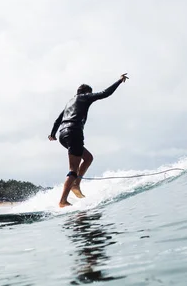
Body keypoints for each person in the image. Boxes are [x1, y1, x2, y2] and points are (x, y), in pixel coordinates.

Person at [49, 73, 129, 207]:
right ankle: (63, 201)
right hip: (74, 132)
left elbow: (58, 120)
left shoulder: (69, 103)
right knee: (73, 169)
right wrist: (119, 81)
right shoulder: (85, 97)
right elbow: (105, 93)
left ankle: (76, 184)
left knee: (88, 158)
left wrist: (52, 134)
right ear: (86, 92)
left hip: (63, 135)